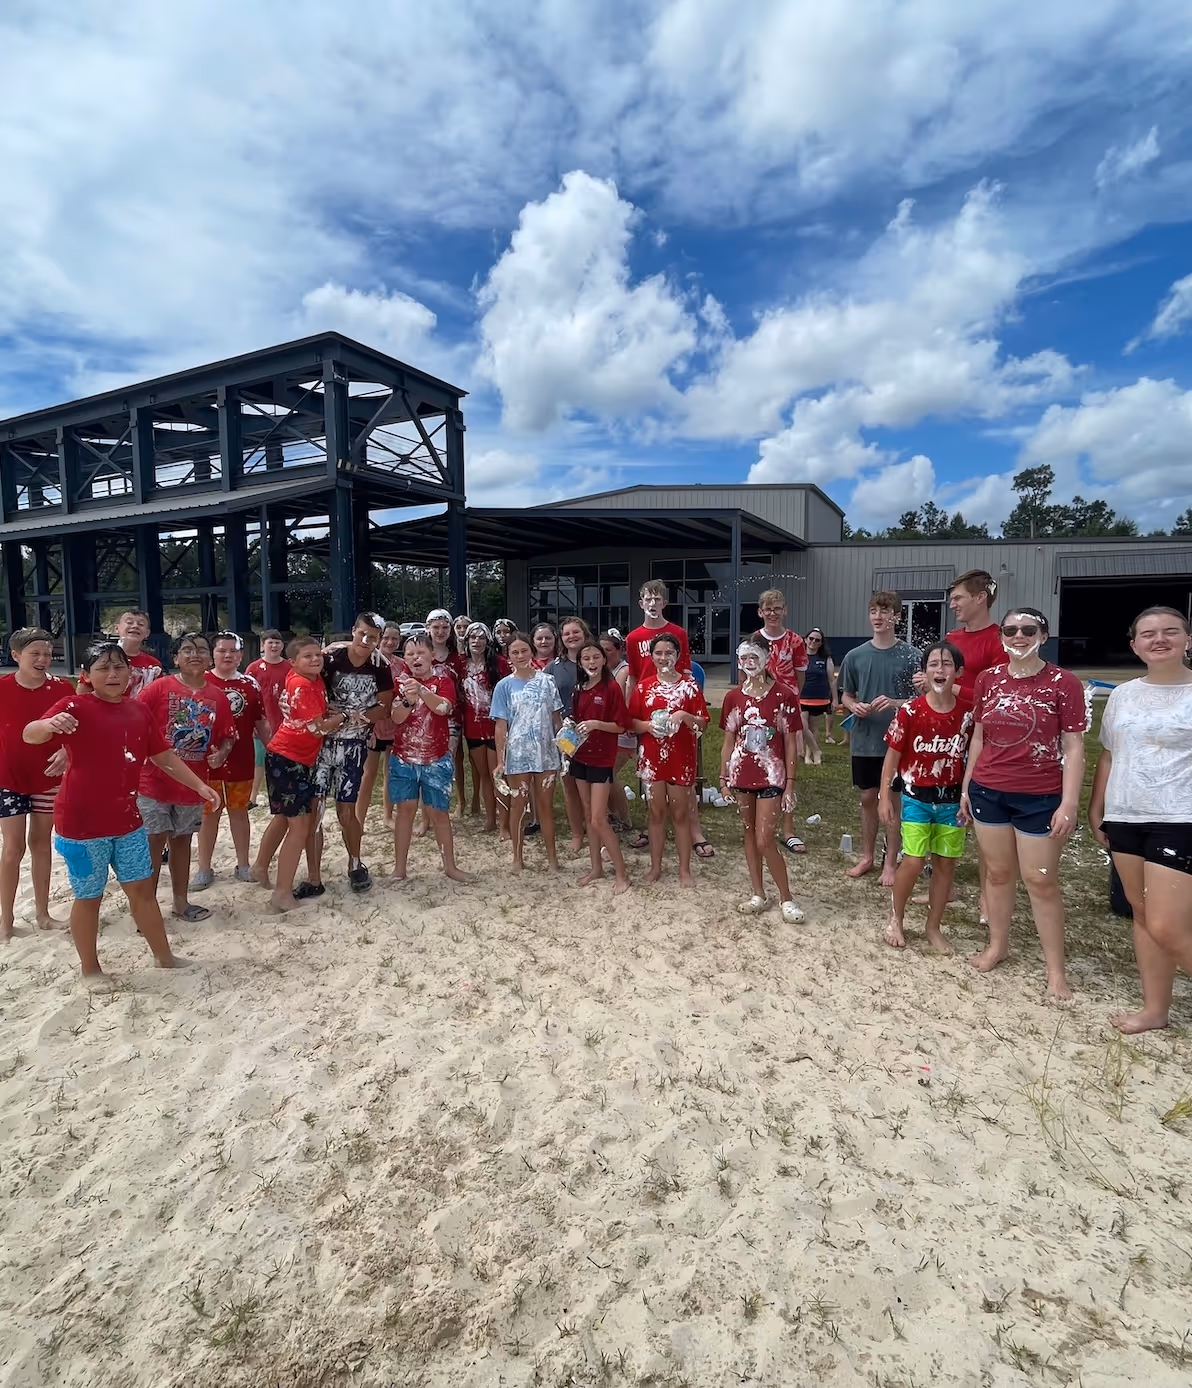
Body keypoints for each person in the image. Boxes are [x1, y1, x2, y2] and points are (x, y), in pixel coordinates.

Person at [24, 640, 220, 977]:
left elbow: (163, 757)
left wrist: (199, 785)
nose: (113, 674)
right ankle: (90, 969)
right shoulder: (74, 706)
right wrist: (49, 724)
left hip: (127, 821)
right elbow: (31, 734)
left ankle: (164, 957)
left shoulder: (138, 710)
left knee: (143, 892)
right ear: (86, 675)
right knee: (89, 897)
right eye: (103, 668)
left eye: (119, 667)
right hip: (81, 823)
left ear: (130, 673)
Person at [961, 607, 1087, 1000]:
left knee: (1041, 880)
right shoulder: (988, 680)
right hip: (989, 791)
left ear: (1043, 635)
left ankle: (1055, 971)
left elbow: (1074, 746)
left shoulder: (1063, 683)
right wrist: (967, 788)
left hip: (1040, 795)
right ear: (1002, 636)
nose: (1019, 636)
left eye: (1027, 629)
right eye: (1011, 630)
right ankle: (998, 945)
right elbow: (978, 739)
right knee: (998, 874)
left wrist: (1068, 803)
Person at [1090, 606, 1192, 1033]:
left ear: (1188, 640)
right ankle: (1156, 1009)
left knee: (1169, 925)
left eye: (1171, 631)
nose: (1159, 639)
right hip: (1126, 813)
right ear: (1135, 645)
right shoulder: (1124, 694)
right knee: (1143, 913)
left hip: (1180, 816)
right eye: (1148, 634)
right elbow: (1110, 754)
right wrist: (1097, 809)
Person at [880, 642, 973, 954]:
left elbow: (973, 756)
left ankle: (933, 926)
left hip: (951, 802)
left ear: (958, 672)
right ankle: (897, 917)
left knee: (946, 864)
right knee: (915, 860)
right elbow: (891, 758)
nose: (940, 670)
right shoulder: (910, 711)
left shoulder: (967, 715)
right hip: (916, 799)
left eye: (947, 664)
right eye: (934, 664)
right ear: (924, 672)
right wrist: (884, 797)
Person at [135, 632, 235, 923]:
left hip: (193, 784)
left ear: (210, 657)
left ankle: (181, 902)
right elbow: (134, 719)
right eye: (187, 650)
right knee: (153, 844)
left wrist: (223, 754)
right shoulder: (158, 688)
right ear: (175, 657)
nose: (195, 654)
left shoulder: (217, 696)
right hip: (152, 782)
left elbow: (228, 735)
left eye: (202, 649)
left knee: (182, 842)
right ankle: (146, 907)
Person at [253, 637, 346, 911]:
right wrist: (342, 718)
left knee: (284, 817)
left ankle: (260, 866)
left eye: (318, 654)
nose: (316, 659)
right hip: (288, 758)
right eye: (308, 656)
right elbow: (317, 729)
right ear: (292, 662)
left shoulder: (313, 678)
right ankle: (282, 893)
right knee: (300, 827)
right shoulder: (301, 684)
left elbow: (316, 717)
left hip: (293, 757)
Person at [837, 591, 919, 886]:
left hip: (897, 743)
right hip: (864, 739)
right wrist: (852, 705)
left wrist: (896, 703)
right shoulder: (855, 656)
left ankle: (891, 861)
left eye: (885, 611)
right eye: (873, 611)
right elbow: (845, 694)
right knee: (867, 797)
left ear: (897, 616)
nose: (878, 617)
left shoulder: (911, 656)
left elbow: (923, 700)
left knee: (892, 800)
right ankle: (867, 855)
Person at [309, 612, 395, 893]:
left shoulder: (380, 665)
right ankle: (314, 876)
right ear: (353, 631)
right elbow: (309, 688)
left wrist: (348, 716)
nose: (366, 641)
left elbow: (384, 709)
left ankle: (355, 863)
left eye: (373, 637)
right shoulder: (331, 657)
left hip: (354, 745)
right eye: (362, 634)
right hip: (321, 743)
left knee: (346, 810)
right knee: (315, 810)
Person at [718, 639, 804, 923]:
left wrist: (790, 781)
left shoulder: (783, 695)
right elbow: (728, 740)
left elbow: (791, 742)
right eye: (744, 657)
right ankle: (758, 892)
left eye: (755, 656)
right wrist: (723, 776)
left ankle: (786, 897)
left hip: (772, 775)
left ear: (767, 660)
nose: (749, 661)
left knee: (765, 838)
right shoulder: (733, 698)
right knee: (748, 833)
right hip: (742, 773)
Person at [0, 628, 74, 937]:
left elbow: (78, 729)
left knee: (41, 844)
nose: (43, 659)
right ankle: (6, 921)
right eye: (35, 654)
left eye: (47, 653)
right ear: (16, 656)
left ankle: (43, 914)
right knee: (12, 848)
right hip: (8, 777)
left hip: (50, 776)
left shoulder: (62, 688)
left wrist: (66, 751)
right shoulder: (2, 688)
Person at [192, 632, 271, 890]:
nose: (227, 655)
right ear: (212, 654)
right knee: (209, 813)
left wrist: (273, 748)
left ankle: (243, 864)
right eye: (221, 650)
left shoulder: (250, 684)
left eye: (233, 651)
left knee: (239, 811)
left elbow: (260, 721)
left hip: (241, 758)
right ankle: (204, 867)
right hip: (207, 761)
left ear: (240, 655)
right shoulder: (200, 681)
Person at [628, 632, 708, 887]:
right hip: (652, 759)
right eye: (658, 653)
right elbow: (631, 723)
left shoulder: (689, 686)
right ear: (651, 656)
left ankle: (684, 869)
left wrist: (685, 715)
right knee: (655, 813)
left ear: (678, 655)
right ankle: (655, 867)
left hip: (681, 758)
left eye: (669, 653)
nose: (664, 658)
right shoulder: (644, 686)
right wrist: (648, 726)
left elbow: (703, 724)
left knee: (681, 813)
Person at [388, 632, 469, 883]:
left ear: (432, 656)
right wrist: (406, 700)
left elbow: (444, 708)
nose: (415, 657)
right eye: (410, 654)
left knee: (439, 812)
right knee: (405, 811)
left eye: (421, 652)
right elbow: (396, 718)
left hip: (436, 758)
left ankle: (450, 866)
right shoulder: (400, 683)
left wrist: (422, 691)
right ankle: (399, 869)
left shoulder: (443, 680)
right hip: (403, 757)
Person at [492, 633, 564, 873]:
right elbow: (501, 726)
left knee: (545, 807)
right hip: (518, 754)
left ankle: (552, 858)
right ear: (508, 655)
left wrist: (565, 750)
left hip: (546, 754)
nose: (520, 656)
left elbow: (556, 719)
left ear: (531, 652)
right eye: (515, 652)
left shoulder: (547, 681)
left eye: (524, 650)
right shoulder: (503, 686)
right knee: (518, 805)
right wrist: (501, 760)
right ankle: (517, 857)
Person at [567, 640, 630, 893]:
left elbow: (621, 726)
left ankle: (622, 874)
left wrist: (596, 724)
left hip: (602, 760)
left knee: (598, 818)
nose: (591, 663)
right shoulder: (578, 689)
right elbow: (577, 722)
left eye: (595, 657)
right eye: (586, 659)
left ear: (604, 660)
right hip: (580, 757)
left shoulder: (611, 688)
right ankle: (596, 868)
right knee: (587, 816)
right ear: (580, 663)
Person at [356, 622, 408, 832]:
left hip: (394, 725)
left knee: (391, 772)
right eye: (386, 637)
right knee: (368, 773)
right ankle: (359, 819)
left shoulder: (402, 664)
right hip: (372, 726)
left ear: (399, 641)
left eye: (394, 638)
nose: (389, 642)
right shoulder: (368, 661)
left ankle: (388, 815)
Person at [548, 616, 594, 854]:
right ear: (561, 639)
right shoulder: (554, 667)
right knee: (569, 786)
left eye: (576, 632)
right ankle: (577, 834)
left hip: (593, 734)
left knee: (590, 787)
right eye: (567, 634)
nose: (571, 637)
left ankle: (595, 831)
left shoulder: (594, 661)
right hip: (565, 735)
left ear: (584, 634)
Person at [461, 622, 510, 834]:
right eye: (472, 637)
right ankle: (490, 820)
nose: (476, 641)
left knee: (498, 777)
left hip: (495, 728)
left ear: (487, 641)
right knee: (484, 778)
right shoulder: (461, 665)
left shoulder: (499, 664)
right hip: (472, 729)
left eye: (481, 637)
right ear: (466, 641)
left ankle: (505, 825)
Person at [424, 608, 466, 819]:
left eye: (444, 627)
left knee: (445, 765)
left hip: (451, 720)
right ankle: (427, 815)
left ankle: (445, 808)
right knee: (426, 765)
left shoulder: (458, 659)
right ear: (428, 629)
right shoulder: (422, 655)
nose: (440, 631)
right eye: (436, 627)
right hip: (425, 720)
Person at [624, 580, 690, 701]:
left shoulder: (679, 633)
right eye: (648, 599)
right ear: (641, 604)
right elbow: (632, 677)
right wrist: (627, 710)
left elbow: (686, 670)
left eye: (657, 599)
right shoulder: (633, 638)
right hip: (645, 697)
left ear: (664, 603)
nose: (652, 603)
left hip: (674, 696)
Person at [245, 629, 289, 808]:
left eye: (277, 642)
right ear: (263, 645)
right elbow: (247, 697)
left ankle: (281, 795)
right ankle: (252, 797)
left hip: (283, 723)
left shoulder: (289, 667)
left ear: (282, 645)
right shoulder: (253, 668)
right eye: (270, 642)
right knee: (258, 762)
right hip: (261, 723)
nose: (274, 645)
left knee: (282, 762)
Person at [600, 629, 634, 832]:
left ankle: (624, 818)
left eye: (608, 650)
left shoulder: (624, 670)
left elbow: (620, 695)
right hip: (607, 729)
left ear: (619, 650)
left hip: (621, 730)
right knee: (604, 774)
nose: (604, 655)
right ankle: (612, 814)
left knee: (609, 773)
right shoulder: (604, 669)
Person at [800, 629, 837, 762]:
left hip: (819, 697)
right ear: (805, 639)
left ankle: (809, 756)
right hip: (801, 695)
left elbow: (832, 680)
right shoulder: (799, 656)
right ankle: (816, 751)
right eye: (811, 638)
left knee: (813, 726)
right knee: (802, 724)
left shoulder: (825, 658)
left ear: (821, 643)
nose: (813, 642)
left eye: (817, 640)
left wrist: (835, 700)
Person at [113, 609, 163, 698]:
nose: (135, 626)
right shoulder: (101, 658)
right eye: (129, 622)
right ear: (117, 628)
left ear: (147, 633)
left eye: (141, 624)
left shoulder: (154, 666)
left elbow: (158, 697)